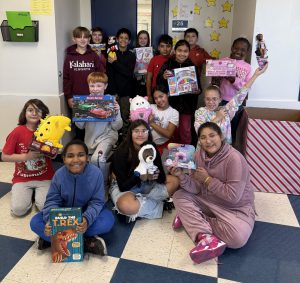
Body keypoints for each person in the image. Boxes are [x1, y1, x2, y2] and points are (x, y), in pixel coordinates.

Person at [168, 122, 255, 264]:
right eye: (203, 137)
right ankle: (205, 238)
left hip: (234, 207)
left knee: (237, 239)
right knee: (179, 195)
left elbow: (233, 197)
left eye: (212, 135)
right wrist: (181, 176)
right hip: (207, 199)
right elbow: (196, 188)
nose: (208, 141)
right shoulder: (197, 156)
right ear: (199, 141)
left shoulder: (234, 158)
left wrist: (208, 179)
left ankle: (189, 218)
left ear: (221, 136)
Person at [30, 139, 115, 256]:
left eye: (81, 155)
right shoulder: (59, 175)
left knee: (107, 222)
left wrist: (86, 219)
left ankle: (53, 240)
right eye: (70, 156)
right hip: (64, 216)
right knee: (35, 222)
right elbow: (52, 200)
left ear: (87, 158)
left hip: (86, 213)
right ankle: (87, 242)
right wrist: (51, 221)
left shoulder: (96, 174)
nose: (75, 160)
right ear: (64, 159)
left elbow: (97, 202)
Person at [109, 119, 179, 222]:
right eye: (136, 131)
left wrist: (156, 175)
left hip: (146, 184)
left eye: (144, 131)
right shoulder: (122, 151)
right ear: (130, 133)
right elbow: (123, 187)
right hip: (126, 187)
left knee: (174, 181)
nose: (140, 134)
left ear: (148, 133)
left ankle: (142, 204)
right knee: (125, 205)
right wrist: (139, 175)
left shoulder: (152, 147)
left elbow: (162, 178)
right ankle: (160, 205)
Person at [2, 99, 54, 216]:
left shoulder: (49, 131)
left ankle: (35, 196)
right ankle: (26, 195)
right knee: (18, 210)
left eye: (38, 110)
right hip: (22, 178)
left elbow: (55, 152)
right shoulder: (17, 132)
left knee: (45, 208)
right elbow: (4, 156)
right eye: (30, 110)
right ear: (24, 113)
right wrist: (26, 156)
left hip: (45, 177)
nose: (34, 113)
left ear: (44, 114)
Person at [194, 64, 268, 144]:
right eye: (208, 99)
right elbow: (200, 131)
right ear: (204, 99)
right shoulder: (200, 112)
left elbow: (241, 93)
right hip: (205, 151)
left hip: (223, 152)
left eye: (214, 99)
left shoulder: (226, 111)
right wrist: (217, 118)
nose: (211, 102)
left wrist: (255, 75)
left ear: (220, 100)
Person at [75, 72, 123, 187]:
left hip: (108, 135)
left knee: (98, 159)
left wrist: (117, 112)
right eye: (92, 86)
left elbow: (117, 127)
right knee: (91, 163)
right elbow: (80, 127)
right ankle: (98, 181)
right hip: (91, 139)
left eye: (98, 85)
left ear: (105, 86)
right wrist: (79, 113)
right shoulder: (84, 102)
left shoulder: (111, 101)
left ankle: (103, 186)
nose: (95, 89)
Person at [63, 26, 105, 140]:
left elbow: (101, 74)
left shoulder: (93, 55)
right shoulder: (69, 56)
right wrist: (69, 96)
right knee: (79, 127)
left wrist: (100, 94)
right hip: (76, 98)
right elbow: (66, 78)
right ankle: (82, 152)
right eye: (79, 37)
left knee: (93, 125)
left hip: (93, 96)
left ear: (89, 39)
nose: (82, 40)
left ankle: (93, 150)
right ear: (74, 39)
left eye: (85, 37)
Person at [156, 39, 200, 145]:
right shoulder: (167, 65)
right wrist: (163, 77)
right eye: (179, 50)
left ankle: (186, 154)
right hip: (171, 105)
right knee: (172, 131)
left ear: (189, 53)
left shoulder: (192, 67)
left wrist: (197, 90)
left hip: (187, 106)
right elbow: (158, 85)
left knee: (185, 131)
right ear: (175, 51)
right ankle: (173, 153)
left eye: (185, 51)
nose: (182, 53)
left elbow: (199, 88)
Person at [215, 37, 252, 144]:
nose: (238, 52)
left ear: (247, 52)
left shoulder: (248, 67)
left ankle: (230, 150)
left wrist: (233, 79)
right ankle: (218, 148)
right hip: (220, 100)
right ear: (232, 48)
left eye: (242, 50)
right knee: (219, 126)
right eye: (236, 48)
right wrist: (216, 77)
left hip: (236, 103)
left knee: (232, 128)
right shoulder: (223, 61)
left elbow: (246, 88)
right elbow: (213, 81)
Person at [106, 28, 136, 139]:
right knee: (113, 117)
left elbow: (129, 73)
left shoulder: (131, 55)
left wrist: (115, 63)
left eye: (126, 38)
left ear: (129, 41)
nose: (123, 40)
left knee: (125, 116)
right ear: (117, 39)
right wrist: (113, 92)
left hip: (126, 92)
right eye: (121, 38)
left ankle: (125, 140)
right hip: (114, 91)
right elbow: (110, 74)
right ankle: (114, 139)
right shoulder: (112, 53)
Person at [148, 86, 179, 155]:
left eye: (161, 96)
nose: (158, 100)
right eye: (155, 98)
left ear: (167, 94)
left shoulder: (174, 112)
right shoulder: (150, 107)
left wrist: (152, 123)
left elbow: (168, 134)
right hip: (149, 146)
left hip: (164, 147)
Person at [146, 34, 173, 103]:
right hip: (156, 93)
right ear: (158, 47)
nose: (165, 49)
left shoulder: (174, 59)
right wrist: (149, 95)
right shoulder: (154, 60)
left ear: (172, 48)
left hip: (171, 92)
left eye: (168, 46)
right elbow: (149, 78)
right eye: (162, 46)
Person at [134, 30, 151, 97]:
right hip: (136, 82)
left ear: (148, 40)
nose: (142, 40)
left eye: (145, 38)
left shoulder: (153, 52)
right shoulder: (132, 52)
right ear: (137, 39)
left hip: (148, 81)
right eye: (140, 38)